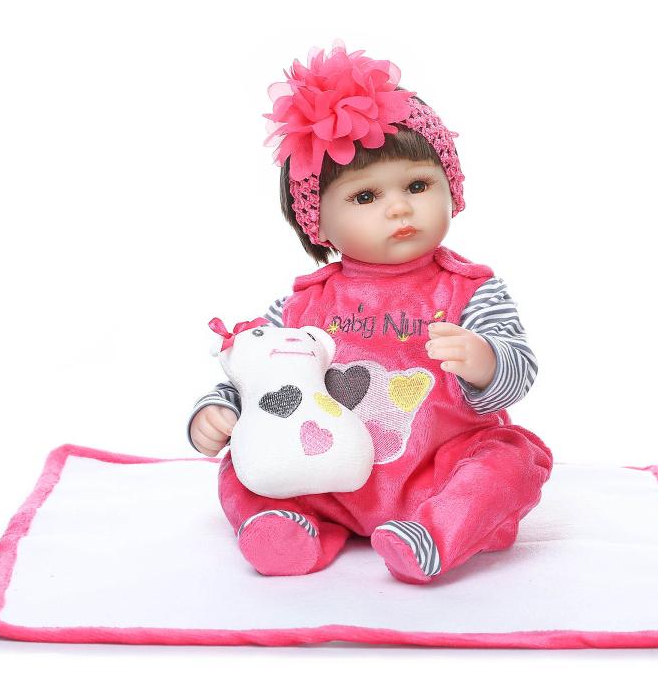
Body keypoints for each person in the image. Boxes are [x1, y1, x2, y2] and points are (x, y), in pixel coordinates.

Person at [187, 41, 554, 584]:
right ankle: (283, 527)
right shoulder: (301, 306)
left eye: (417, 185)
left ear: (450, 187)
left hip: (435, 473)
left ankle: (433, 533)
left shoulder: (471, 290)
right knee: (243, 463)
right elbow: (256, 376)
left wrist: (485, 361)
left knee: (513, 458)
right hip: (323, 472)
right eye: (365, 197)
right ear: (318, 223)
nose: (399, 207)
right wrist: (219, 409)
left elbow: (518, 372)